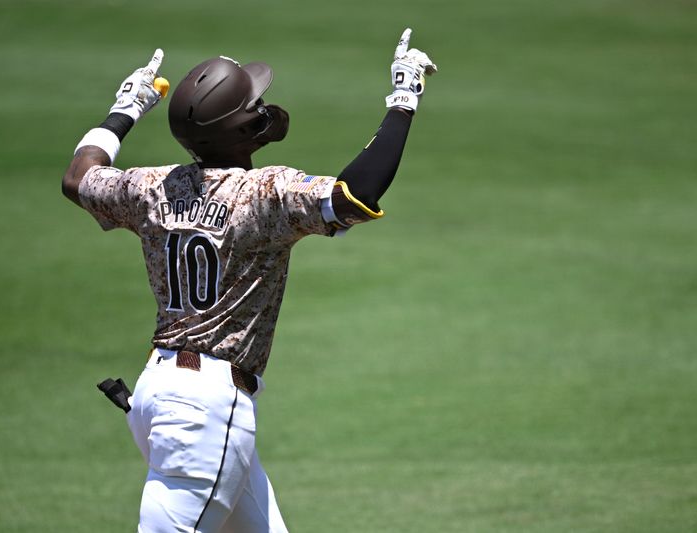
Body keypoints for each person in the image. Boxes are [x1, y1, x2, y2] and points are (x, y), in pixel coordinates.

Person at [62, 28, 436, 533]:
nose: (265, 106)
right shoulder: (265, 194)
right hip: (204, 414)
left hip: (160, 397)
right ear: (242, 129)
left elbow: (79, 177)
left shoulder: (152, 187)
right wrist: (402, 100)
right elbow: (354, 195)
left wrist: (126, 108)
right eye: (255, 103)